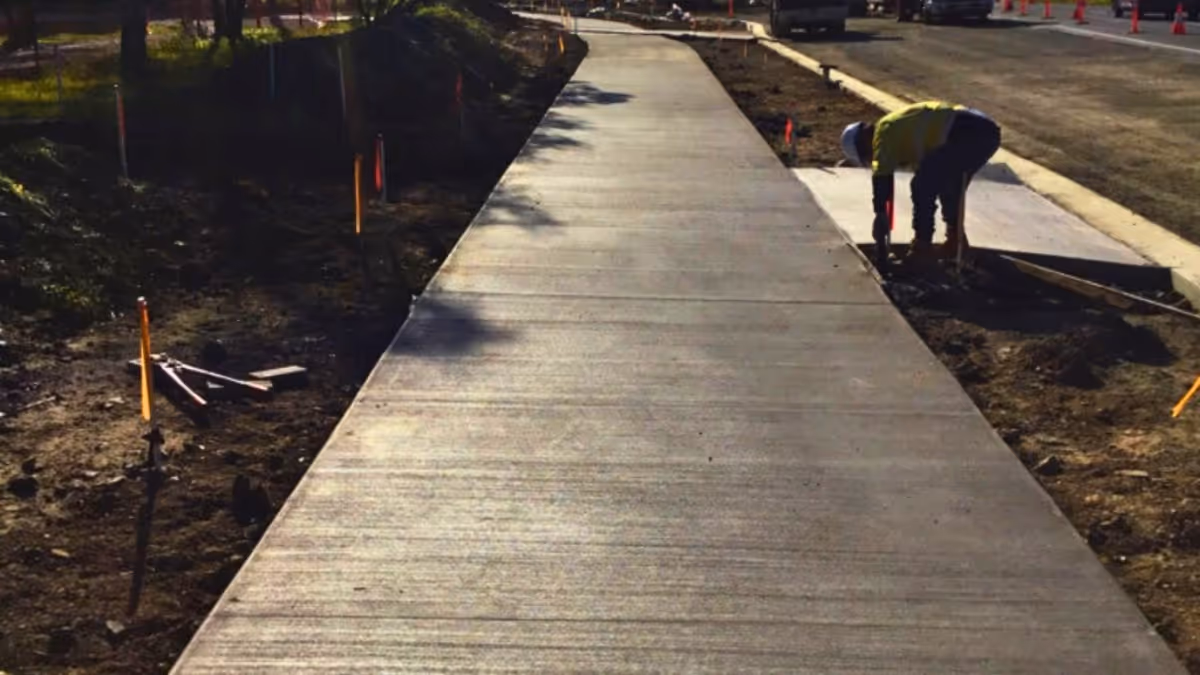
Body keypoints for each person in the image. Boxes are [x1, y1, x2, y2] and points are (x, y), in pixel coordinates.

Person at [840, 101, 1002, 269]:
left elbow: (882, 177)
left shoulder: (883, 133)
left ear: (864, 140)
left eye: (868, 156)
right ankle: (955, 241)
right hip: (985, 131)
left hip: (966, 130)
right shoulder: (900, 132)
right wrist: (884, 214)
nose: (872, 158)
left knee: (922, 185)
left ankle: (922, 247)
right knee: (949, 186)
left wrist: (880, 213)